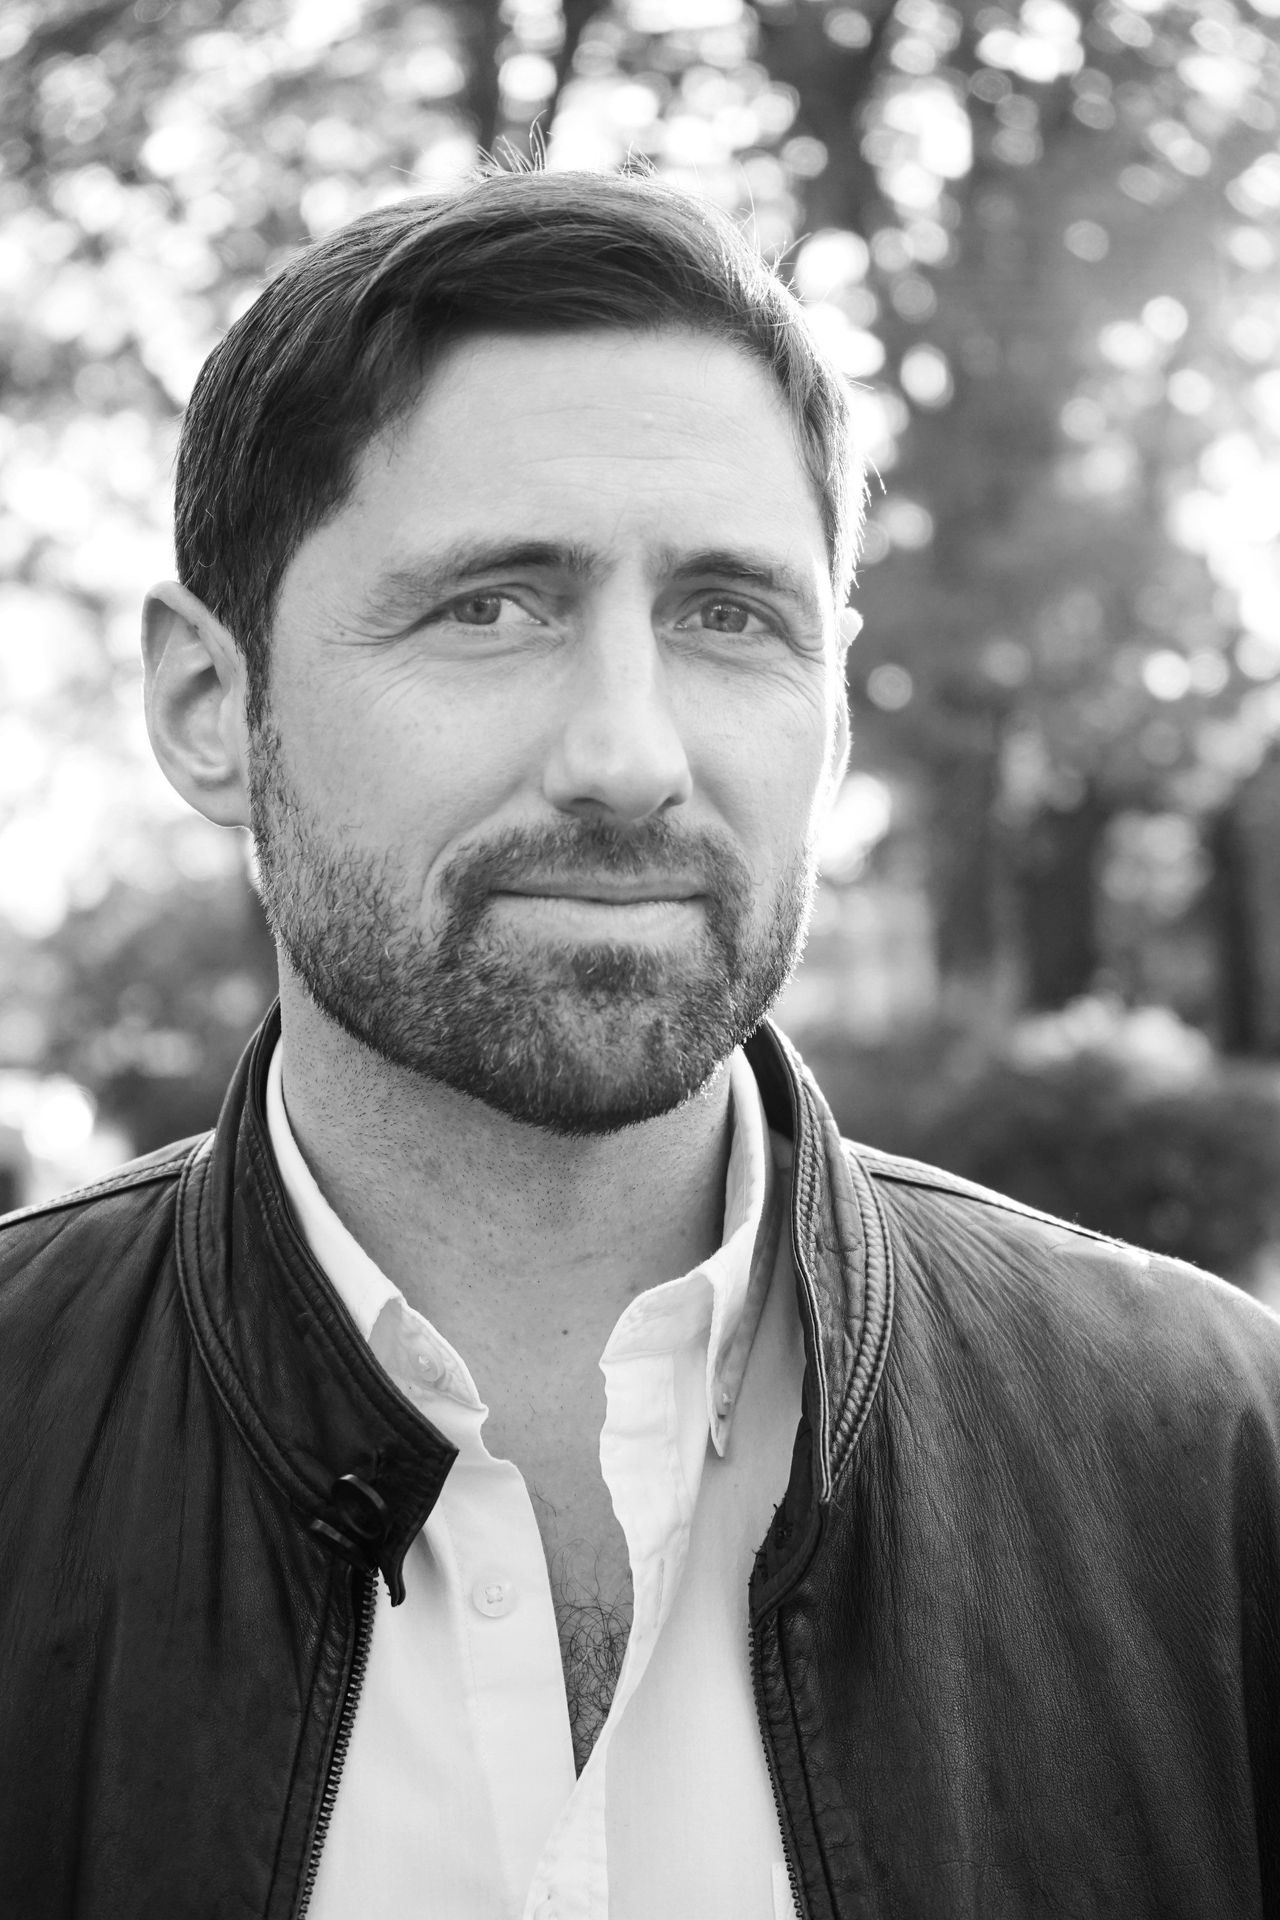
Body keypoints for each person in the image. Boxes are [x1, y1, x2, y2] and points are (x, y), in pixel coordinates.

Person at [1, 166, 1278, 1920]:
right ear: (210, 707)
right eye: (492, 605)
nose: (630, 757)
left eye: (728, 617)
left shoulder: (1214, 1470)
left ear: (834, 723)